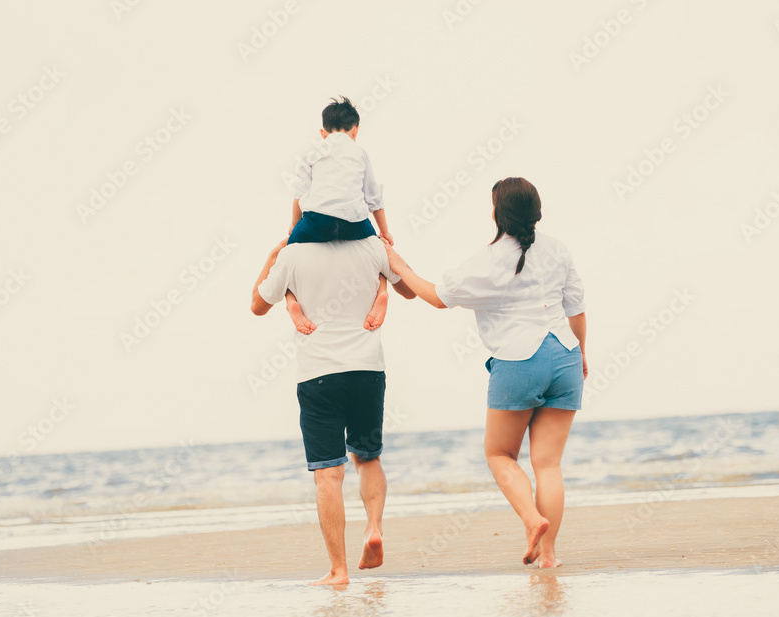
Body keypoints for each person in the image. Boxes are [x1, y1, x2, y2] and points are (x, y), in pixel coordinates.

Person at [381, 177, 587, 568]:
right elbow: (575, 309)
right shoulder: (558, 250)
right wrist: (582, 354)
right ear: (537, 210)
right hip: (565, 357)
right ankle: (550, 557)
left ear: (497, 213)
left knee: (499, 454)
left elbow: (438, 297)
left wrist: (398, 265)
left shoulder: (490, 258)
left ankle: (532, 520)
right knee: (549, 464)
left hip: (518, 361)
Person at [251, 234, 416, 585]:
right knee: (368, 458)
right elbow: (412, 288)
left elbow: (256, 304)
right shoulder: (372, 246)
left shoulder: (292, 255)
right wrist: (383, 284)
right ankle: (373, 527)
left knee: (328, 475)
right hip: (367, 370)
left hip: (319, 374)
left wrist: (272, 258)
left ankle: (339, 571)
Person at [284, 96, 395, 336]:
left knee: (286, 257)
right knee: (379, 252)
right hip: (354, 223)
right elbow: (374, 197)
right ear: (356, 131)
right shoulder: (360, 152)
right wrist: (383, 233)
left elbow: (299, 194)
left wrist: (294, 228)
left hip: (317, 221)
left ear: (322, 133)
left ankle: (292, 302)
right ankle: (382, 293)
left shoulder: (312, 151)